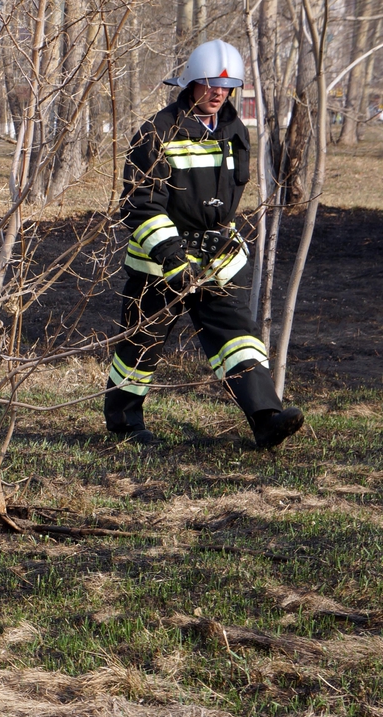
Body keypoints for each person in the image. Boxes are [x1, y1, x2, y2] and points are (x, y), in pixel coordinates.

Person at [107, 39, 303, 450]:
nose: (218, 93)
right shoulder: (157, 132)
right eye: (211, 84)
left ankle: (266, 417)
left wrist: (223, 241)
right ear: (192, 83)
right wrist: (174, 259)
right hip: (160, 265)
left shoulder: (234, 131)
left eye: (227, 86)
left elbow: (226, 201)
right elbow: (140, 207)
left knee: (237, 336)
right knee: (141, 342)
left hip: (213, 262)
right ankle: (125, 424)